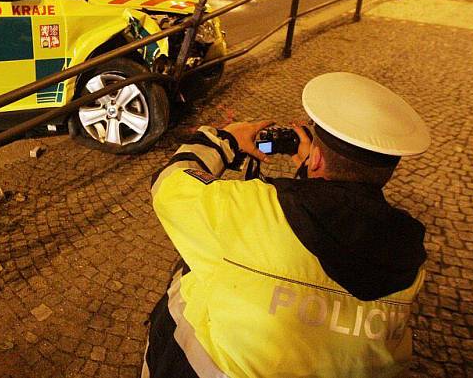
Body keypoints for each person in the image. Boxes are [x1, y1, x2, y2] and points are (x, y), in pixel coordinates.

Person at [143, 72, 431, 378]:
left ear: (316, 159)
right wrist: (314, 178)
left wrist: (225, 140)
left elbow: (170, 185)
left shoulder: (255, 210)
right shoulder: (409, 259)